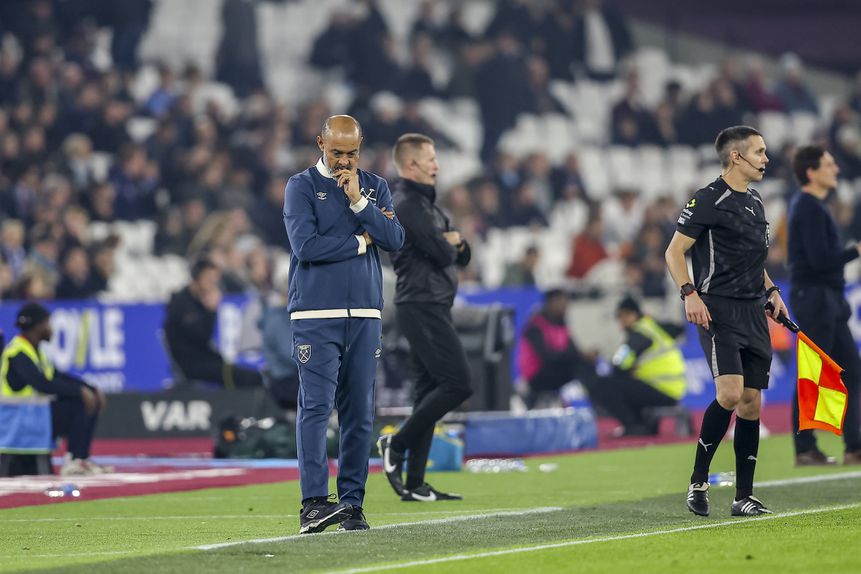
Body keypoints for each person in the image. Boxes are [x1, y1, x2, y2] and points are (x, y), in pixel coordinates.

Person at [284, 115, 404, 533]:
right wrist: (359, 239)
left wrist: (358, 204)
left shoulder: (373, 186)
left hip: (366, 314)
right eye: (336, 152)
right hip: (316, 315)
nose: (344, 161)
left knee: (359, 416)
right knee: (316, 409)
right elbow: (307, 246)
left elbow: (395, 239)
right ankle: (314, 504)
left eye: (351, 153)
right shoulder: (300, 187)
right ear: (320, 143)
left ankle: (351, 504)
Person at [665, 125, 786, 517]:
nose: (766, 159)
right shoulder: (707, 200)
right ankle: (698, 481)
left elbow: (755, 263)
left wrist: (771, 292)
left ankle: (743, 497)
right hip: (717, 309)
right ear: (737, 156)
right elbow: (673, 253)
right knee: (731, 394)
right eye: (760, 152)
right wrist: (689, 294)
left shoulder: (755, 202)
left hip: (754, 311)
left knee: (751, 403)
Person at [377, 133, 472, 503]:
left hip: (432, 302)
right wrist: (450, 243)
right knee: (458, 383)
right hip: (421, 304)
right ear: (412, 164)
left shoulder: (427, 206)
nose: (437, 165)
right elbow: (444, 252)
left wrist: (453, 243)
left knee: (426, 392)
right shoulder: (408, 204)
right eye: (430, 159)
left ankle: (415, 483)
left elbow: (460, 252)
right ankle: (396, 443)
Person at [787, 144, 861, 466]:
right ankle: (805, 448)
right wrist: (855, 251)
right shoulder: (807, 207)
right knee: (815, 373)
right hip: (814, 296)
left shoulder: (814, 207)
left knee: (852, 372)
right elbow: (818, 261)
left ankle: (854, 445)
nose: (836, 169)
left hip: (827, 297)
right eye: (830, 164)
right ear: (811, 172)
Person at [0, 303, 111, 476]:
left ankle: (80, 458)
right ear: (37, 326)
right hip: (19, 423)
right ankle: (73, 460)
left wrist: (90, 388)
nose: (51, 328)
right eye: (47, 323)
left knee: (87, 399)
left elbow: (57, 376)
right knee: (78, 402)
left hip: (35, 419)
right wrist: (80, 392)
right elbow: (41, 383)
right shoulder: (17, 352)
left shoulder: (36, 351)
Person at [581, 296, 686, 436]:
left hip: (661, 389)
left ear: (633, 314)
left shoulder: (638, 333)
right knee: (624, 384)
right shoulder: (651, 327)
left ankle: (634, 426)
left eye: (622, 316)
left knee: (601, 384)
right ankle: (643, 424)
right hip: (672, 389)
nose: (620, 321)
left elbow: (618, 365)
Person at [163, 258, 263, 389]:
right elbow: (201, 335)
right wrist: (211, 311)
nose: (213, 283)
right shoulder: (180, 303)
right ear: (196, 277)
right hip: (191, 364)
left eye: (215, 279)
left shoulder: (198, 301)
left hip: (208, 359)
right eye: (209, 278)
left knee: (253, 376)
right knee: (247, 379)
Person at [517, 289, 594, 409]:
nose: (565, 306)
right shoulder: (535, 326)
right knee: (579, 366)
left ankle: (594, 406)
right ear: (551, 303)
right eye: (561, 302)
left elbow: (572, 350)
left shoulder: (562, 324)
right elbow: (547, 357)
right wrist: (577, 356)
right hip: (536, 375)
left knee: (587, 364)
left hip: (556, 369)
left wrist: (583, 356)